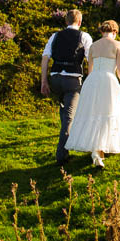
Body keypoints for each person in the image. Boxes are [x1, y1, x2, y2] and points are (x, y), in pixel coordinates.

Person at [65, 19, 120, 167]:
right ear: (114, 32)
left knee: (93, 114)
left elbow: (90, 69)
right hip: (108, 80)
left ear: (101, 31)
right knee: (108, 113)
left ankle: (97, 150)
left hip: (92, 81)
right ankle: (100, 150)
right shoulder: (118, 45)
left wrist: (92, 83)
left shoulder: (93, 46)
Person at [41, 9, 93, 165]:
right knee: (69, 118)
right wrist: (89, 79)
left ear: (66, 21)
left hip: (55, 78)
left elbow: (45, 58)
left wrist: (43, 81)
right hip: (73, 80)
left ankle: (65, 147)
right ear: (80, 22)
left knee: (65, 112)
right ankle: (61, 155)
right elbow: (90, 58)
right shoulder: (84, 36)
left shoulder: (55, 36)